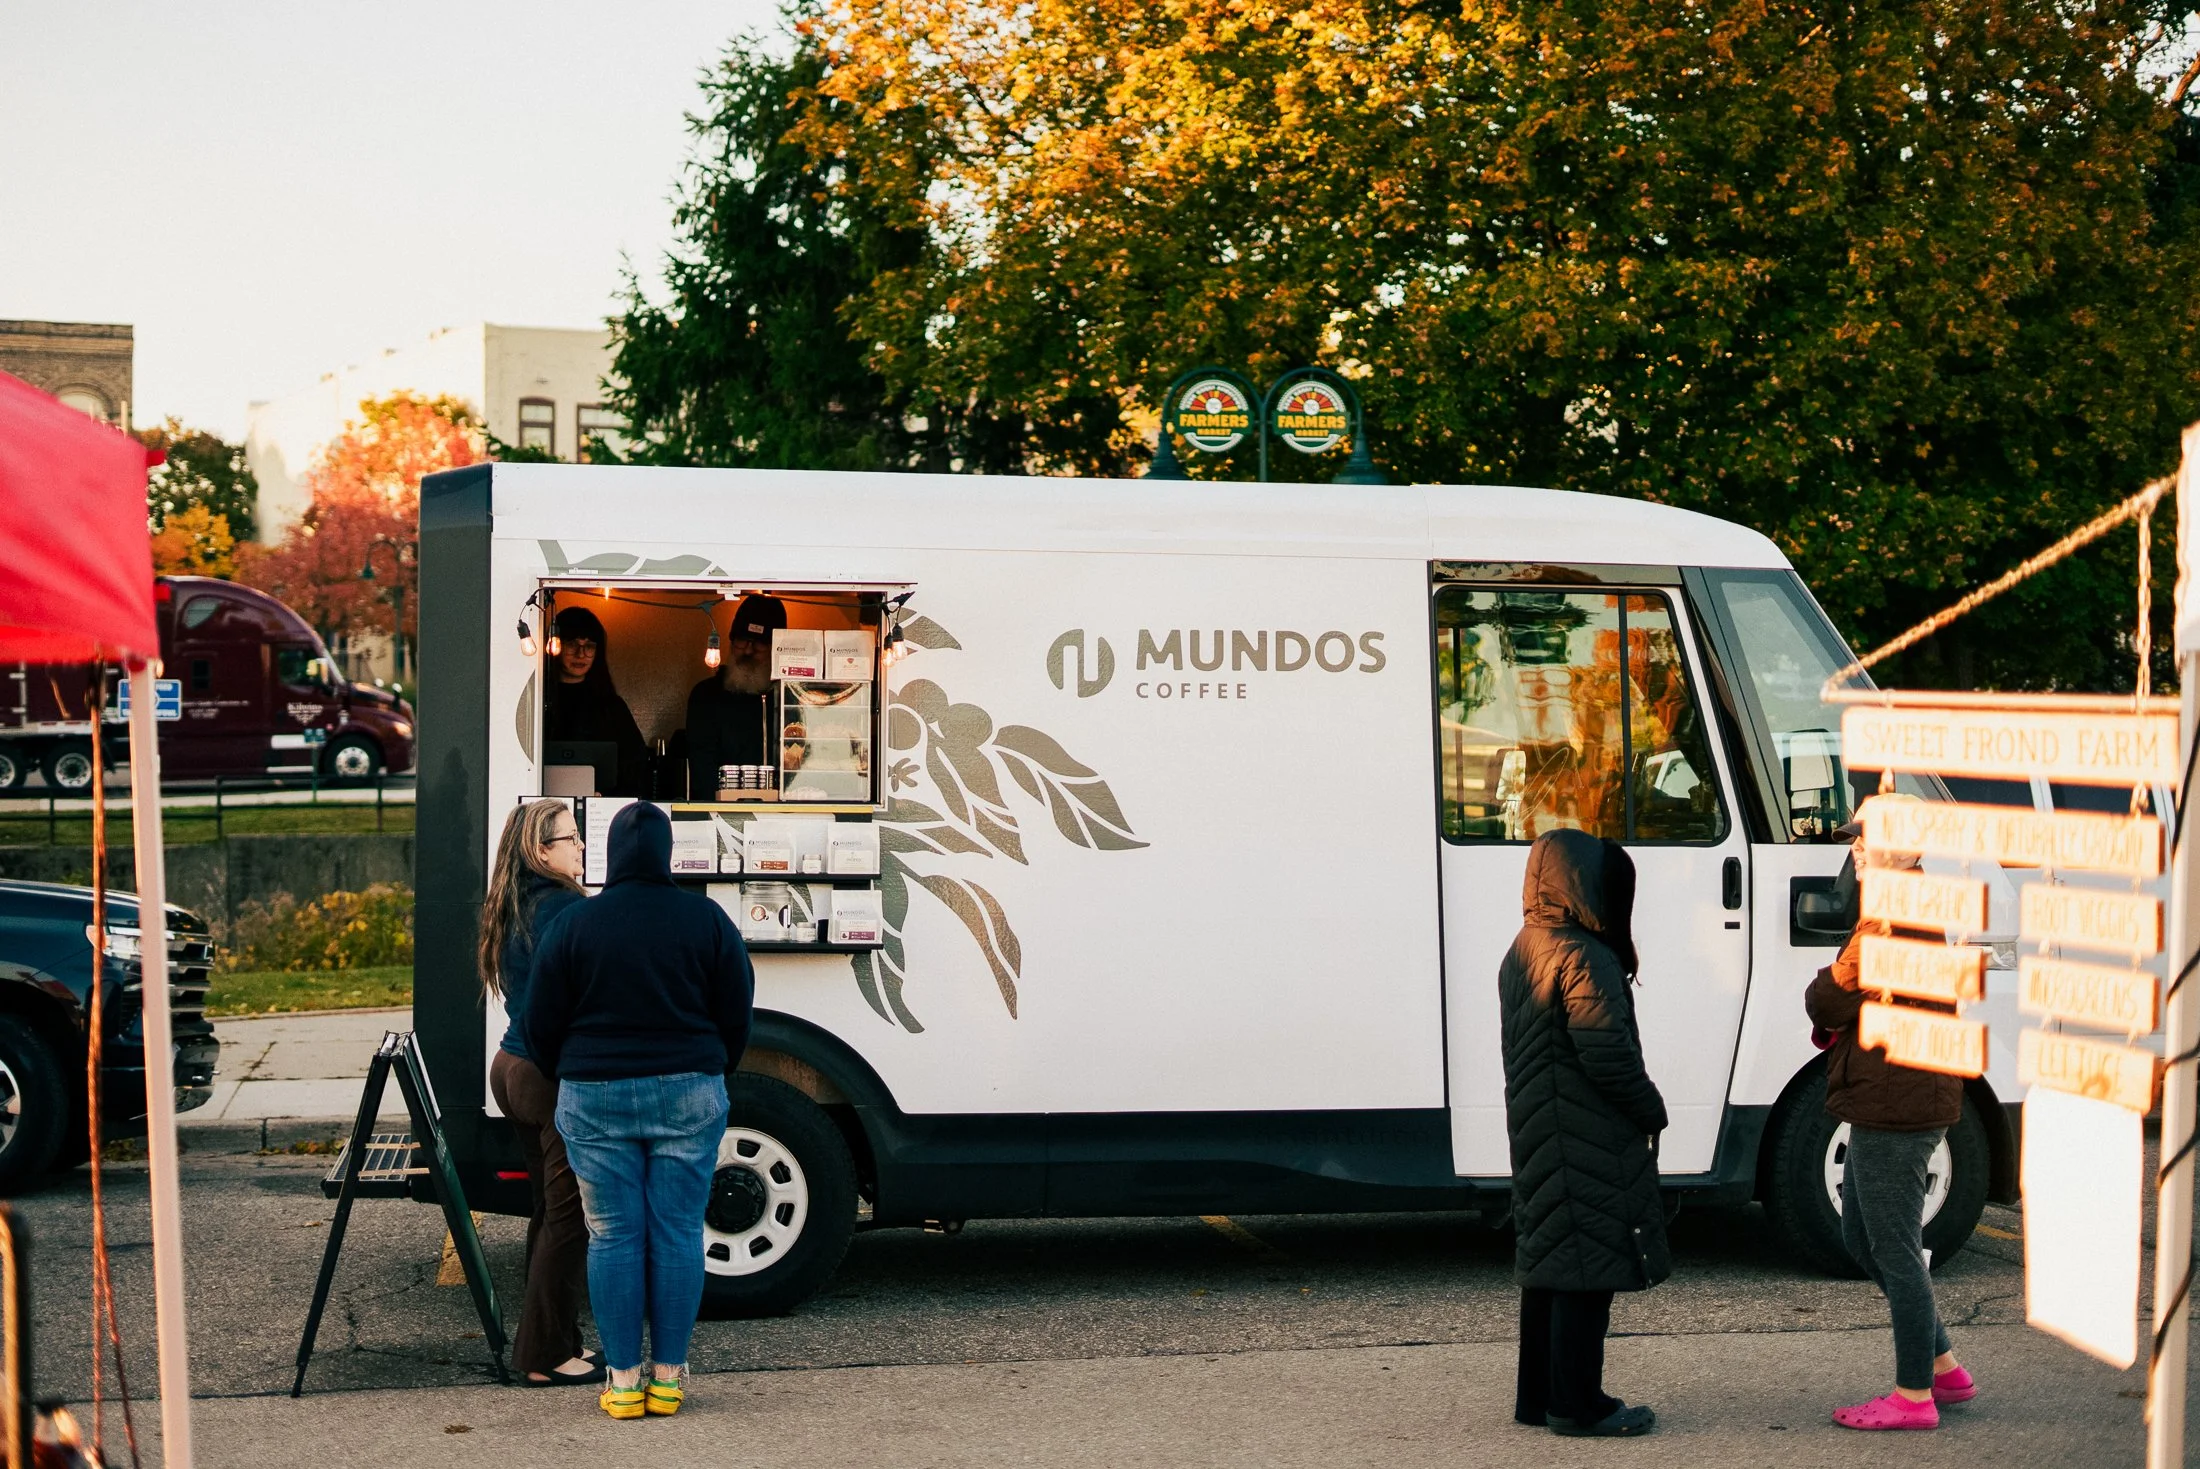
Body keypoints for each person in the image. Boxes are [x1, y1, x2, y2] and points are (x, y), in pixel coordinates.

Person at [525, 801, 754, 1421]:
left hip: (595, 1095)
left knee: (614, 1235)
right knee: (678, 1231)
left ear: (610, 854)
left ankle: (623, 1383)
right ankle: (669, 1378)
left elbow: (540, 1021)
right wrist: (713, 1064)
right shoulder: (705, 918)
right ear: (666, 852)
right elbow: (737, 1009)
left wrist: (570, 1069)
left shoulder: (577, 923)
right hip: (688, 1090)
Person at [1807, 804, 1974, 1430]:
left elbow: (1826, 997)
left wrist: (1828, 995)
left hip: (1896, 1105)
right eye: (1853, 839)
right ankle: (1946, 1371)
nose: (1855, 849)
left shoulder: (1890, 921)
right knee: (1863, 1237)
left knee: (1895, 1249)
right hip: (1898, 1096)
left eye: (1868, 840)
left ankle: (1913, 1397)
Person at [1500, 828, 1668, 1438]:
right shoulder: (1583, 956)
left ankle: (1537, 1396)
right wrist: (1652, 1110)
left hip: (1541, 1125)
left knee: (1550, 1260)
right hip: (1587, 1129)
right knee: (1586, 1267)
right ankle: (1577, 1404)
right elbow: (1607, 1055)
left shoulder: (1525, 946)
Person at [477, 799, 600, 1387]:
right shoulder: (566, 908)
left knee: (549, 1214)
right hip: (545, 1075)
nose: (580, 846)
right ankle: (544, 1357)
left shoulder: (516, 903)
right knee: (569, 1218)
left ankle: (553, 1343)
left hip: (510, 1067)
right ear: (540, 851)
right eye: (569, 838)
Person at [685, 593, 785, 799]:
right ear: (731, 642)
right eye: (742, 640)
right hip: (718, 811)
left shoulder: (786, 700)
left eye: (759, 643)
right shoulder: (706, 696)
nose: (748, 651)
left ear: (776, 649)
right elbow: (702, 768)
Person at [544, 605, 648, 796]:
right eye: (572, 644)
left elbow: (636, 766)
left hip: (601, 810)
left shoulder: (612, 707)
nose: (581, 654)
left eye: (589, 646)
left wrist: (608, 796)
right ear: (555, 646)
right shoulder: (538, 702)